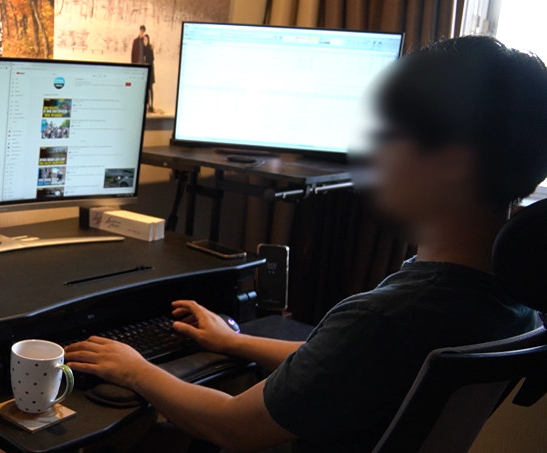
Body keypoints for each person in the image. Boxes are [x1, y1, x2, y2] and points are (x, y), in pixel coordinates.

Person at [65, 36, 547, 452]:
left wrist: (135, 369)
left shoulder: (384, 319)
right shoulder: (513, 301)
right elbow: (337, 367)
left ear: (452, 164)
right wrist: (234, 341)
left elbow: (231, 425)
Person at [142, 34, 155, 113]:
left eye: (146, 40)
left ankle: (151, 105)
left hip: (150, 69)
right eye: (144, 40)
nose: (145, 41)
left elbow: (152, 59)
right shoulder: (143, 48)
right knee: (146, 89)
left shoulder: (150, 47)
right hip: (145, 71)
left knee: (150, 88)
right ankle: (147, 105)